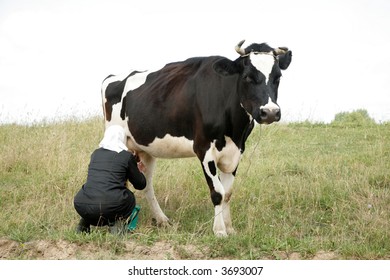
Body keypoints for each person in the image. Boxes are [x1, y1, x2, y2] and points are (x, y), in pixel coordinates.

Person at [74, 125, 146, 233]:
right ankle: (116, 227)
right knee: (129, 198)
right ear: (122, 138)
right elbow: (140, 185)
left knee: (95, 197)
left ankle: (82, 227)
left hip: (81, 203)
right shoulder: (126, 156)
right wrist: (139, 171)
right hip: (110, 207)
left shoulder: (95, 154)